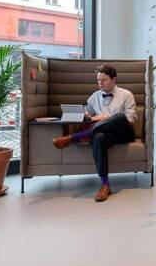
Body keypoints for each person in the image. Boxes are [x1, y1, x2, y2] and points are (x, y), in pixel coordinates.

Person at [52, 64, 137, 202]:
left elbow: (131, 120)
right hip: (105, 135)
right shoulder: (94, 96)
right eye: (98, 80)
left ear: (114, 79)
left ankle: (74, 138)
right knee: (98, 137)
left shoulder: (126, 94)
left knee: (120, 117)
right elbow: (88, 116)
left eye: (104, 80)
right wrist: (86, 116)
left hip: (123, 133)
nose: (100, 83)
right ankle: (105, 185)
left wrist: (107, 118)